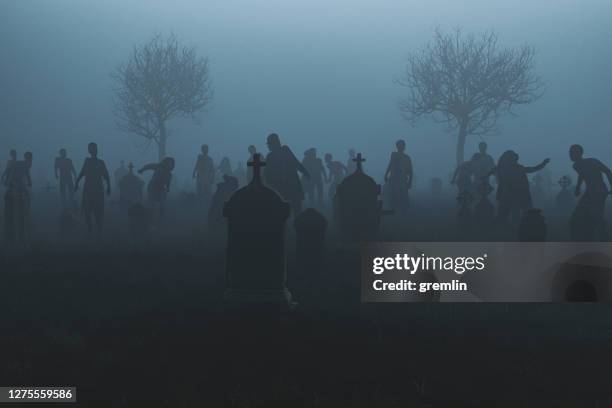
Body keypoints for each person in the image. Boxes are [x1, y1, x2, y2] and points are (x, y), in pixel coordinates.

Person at [487, 150, 550, 223]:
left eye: (514, 158)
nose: (514, 160)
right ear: (508, 159)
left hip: (520, 194)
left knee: (520, 214)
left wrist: (543, 164)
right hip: (509, 195)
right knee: (508, 215)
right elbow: (492, 172)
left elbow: (532, 169)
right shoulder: (502, 168)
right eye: (512, 158)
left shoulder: (517, 168)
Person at [569, 144, 612, 240]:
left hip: (600, 191)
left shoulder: (593, 161)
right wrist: (578, 187)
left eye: (572, 153)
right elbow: (581, 175)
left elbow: (608, 171)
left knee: (597, 215)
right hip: (589, 192)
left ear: (579, 153)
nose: (570, 155)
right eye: (570, 153)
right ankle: (587, 236)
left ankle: (604, 239)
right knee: (579, 214)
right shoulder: (575, 165)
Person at [263, 133, 310, 215]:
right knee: (283, 210)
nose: (268, 146)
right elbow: (267, 173)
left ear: (274, 143)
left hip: (289, 185)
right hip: (281, 186)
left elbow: (295, 162)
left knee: (295, 208)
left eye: (269, 144)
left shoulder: (284, 150)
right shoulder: (271, 156)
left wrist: (305, 172)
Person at [74, 143, 111, 239]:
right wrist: (77, 183)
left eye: (94, 149)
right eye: (91, 149)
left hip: (98, 190)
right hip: (88, 189)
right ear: (89, 151)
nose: (93, 151)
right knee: (87, 211)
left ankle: (98, 231)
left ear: (96, 150)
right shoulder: (87, 162)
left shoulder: (100, 162)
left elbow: (106, 175)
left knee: (98, 211)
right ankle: (90, 230)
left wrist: (109, 188)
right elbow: (82, 172)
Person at [3, 151, 33, 245]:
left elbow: (26, 176)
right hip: (13, 191)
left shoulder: (24, 165)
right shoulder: (22, 164)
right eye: (30, 159)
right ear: (27, 159)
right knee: (14, 215)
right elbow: (10, 171)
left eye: (31, 159)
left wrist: (29, 182)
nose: (31, 162)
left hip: (14, 190)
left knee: (17, 214)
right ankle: (14, 237)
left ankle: (17, 236)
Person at [139, 157, 175, 222]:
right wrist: (142, 169)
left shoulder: (169, 174)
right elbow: (149, 166)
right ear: (165, 162)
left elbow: (168, 183)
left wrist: (167, 188)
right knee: (151, 204)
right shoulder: (158, 167)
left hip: (161, 189)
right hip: (152, 187)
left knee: (162, 204)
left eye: (171, 163)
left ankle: (161, 219)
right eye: (169, 163)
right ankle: (149, 218)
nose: (170, 164)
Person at [384, 139, 413, 214]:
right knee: (394, 195)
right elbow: (390, 164)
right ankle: (393, 211)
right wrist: (386, 174)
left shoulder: (407, 158)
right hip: (393, 179)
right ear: (397, 146)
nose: (401, 147)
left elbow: (410, 171)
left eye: (402, 145)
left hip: (402, 179)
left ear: (404, 147)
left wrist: (410, 182)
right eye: (399, 145)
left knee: (403, 196)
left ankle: (404, 212)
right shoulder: (394, 155)